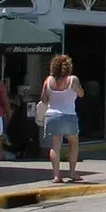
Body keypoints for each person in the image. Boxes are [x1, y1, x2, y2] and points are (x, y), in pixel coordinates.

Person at [41, 54, 84, 183]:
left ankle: (56, 175)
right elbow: (81, 94)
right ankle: (72, 172)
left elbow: (43, 99)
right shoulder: (73, 80)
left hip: (52, 115)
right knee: (73, 143)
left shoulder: (48, 80)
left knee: (55, 146)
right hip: (69, 115)